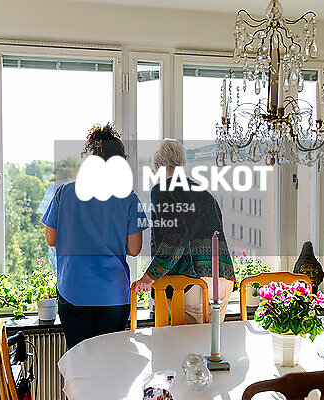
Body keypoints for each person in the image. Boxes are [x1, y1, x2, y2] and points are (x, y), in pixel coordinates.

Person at [42, 123, 148, 349]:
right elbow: (134, 249)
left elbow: (51, 239)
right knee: (110, 361)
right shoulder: (129, 199)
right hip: (112, 295)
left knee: (79, 360)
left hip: (73, 290)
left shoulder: (64, 193)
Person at [132, 138, 235, 323]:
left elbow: (176, 236)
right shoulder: (205, 193)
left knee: (183, 341)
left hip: (192, 283)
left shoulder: (162, 190)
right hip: (223, 280)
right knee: (211, 341)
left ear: (157, 166)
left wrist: (149, 276)